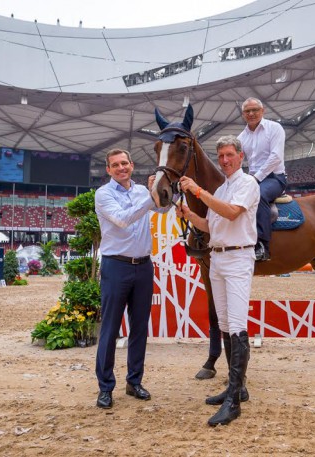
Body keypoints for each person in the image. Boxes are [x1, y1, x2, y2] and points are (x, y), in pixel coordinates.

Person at [177, 135, 259, 426]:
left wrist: (198, 191)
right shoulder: (222, 187)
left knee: (237, 326)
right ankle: (233, 387)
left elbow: (231, 213)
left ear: (240, 155)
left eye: (228, 155)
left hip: (238, 258)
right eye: (220, 156)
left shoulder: (248, 184)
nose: (224, 160)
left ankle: (234, 402)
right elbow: (209, 223)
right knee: (224, 325)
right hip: (218, 257)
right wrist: (188, 213)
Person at [94, 148, 169, 410]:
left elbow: (164, 209)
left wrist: (159, 190)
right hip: (116, 266)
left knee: (139, 328)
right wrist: (150, 198)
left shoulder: (140, 192)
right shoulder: (103, 194)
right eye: (115, 165)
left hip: (143, 266)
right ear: (108, 169)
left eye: (124, 163)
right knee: (110, 329)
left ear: (132, 164)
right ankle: (105, 387)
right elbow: (123, 220)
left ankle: (134, 381)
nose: (121, 168)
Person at [238, 97, 287, 262]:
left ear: (262, 111)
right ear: (243, 114)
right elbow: (236, 161)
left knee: (257, 195)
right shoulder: (241, 137)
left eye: (255, 110)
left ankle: (262, 246)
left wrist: (255, 178)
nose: (251, 114)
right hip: (251, 179)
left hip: (275, 178)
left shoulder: (274, 128)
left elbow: (276, 157)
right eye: (247, 111)